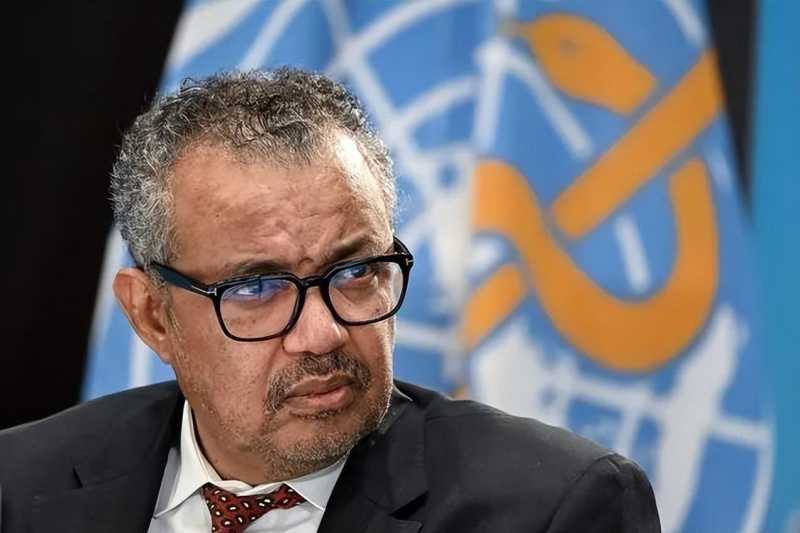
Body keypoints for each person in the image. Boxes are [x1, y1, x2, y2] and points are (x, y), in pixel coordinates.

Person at [0, 68, 660, 533]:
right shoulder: (18, 484)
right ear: (152, 315)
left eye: (354, 271)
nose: (323, 334)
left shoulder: (553, 508)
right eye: (257, 287)